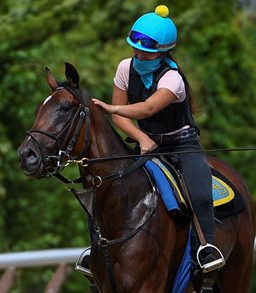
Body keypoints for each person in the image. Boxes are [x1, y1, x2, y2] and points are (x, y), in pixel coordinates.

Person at [92, 4, 224, 278]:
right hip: (146, 144)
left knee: (200, 194)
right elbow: (123, 121)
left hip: (181, 144)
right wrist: (142, 139)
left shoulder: (173, 79)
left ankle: (207, 250)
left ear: (162, 52)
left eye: (146, 51)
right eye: (135, 48)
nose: (138, 54)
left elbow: (147, 109)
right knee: (105, 187)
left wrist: (113, 108)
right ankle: (97, 249)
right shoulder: (125, 67)